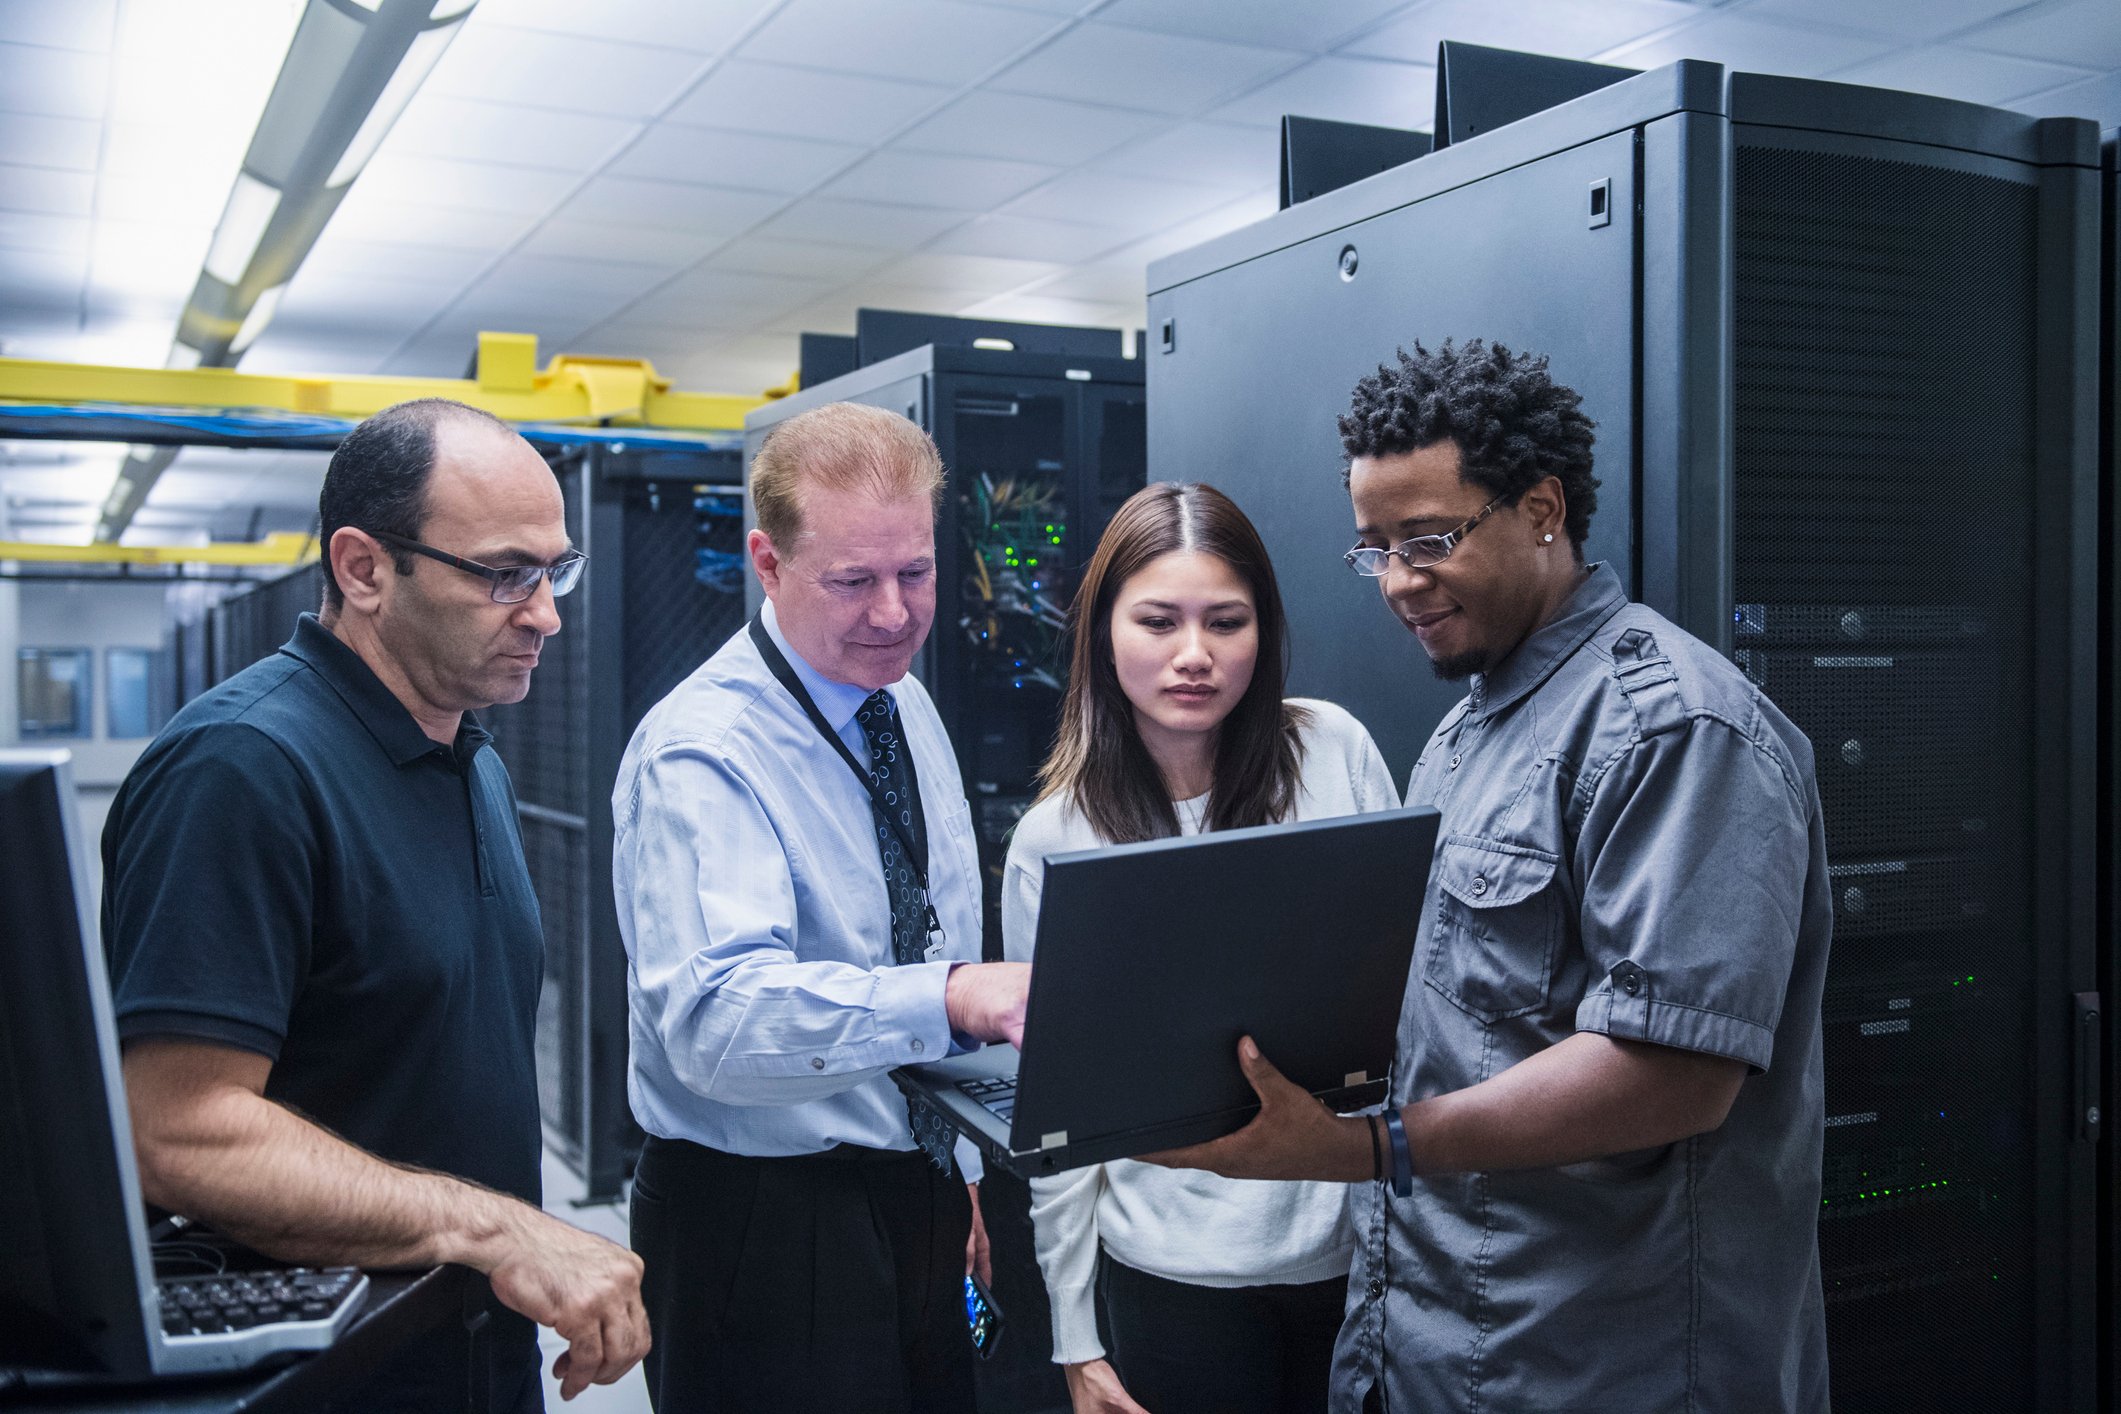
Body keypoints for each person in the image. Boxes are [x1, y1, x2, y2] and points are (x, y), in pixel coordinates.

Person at [1148, 340, 1832, 1412]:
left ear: (1544, 507)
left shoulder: (1675, 728)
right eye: (1371, 548)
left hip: (1605, 1359)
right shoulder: (1472, 732)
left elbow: (1674, 1069)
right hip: (1433, 1343)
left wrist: (1363, 1146)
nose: (1396, 582)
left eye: (1428, 540)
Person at [103, 398, 650, 1412]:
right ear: (362, 569)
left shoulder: (466, 752)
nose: (546, 612)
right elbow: (173, 1128)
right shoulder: (243, 769)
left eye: (554, 569)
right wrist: (495, 1227)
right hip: (321, 1375)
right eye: (504, 574)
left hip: (472, 1355)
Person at [612, 400, 1034, 1413]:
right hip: (762, 1217)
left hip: (912, 1182)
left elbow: (921, 920)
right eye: (853, 580)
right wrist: (952, 998)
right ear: (767, 561)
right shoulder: (703, 752)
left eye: (917, 571)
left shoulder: (901, 698)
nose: (893, 612)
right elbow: (717, 1024)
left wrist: (956, 1166)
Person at [1002, 482, 1397, 1414]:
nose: (1193, 655)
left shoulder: (1331, 751)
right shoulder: (1056, 837)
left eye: (1226, 621)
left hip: (1355, 1261)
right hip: (1168, 1278)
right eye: (1157, 621)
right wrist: (1073, 1332)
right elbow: (1059, 1112)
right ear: (1103, 630)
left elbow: (1406, 1000)